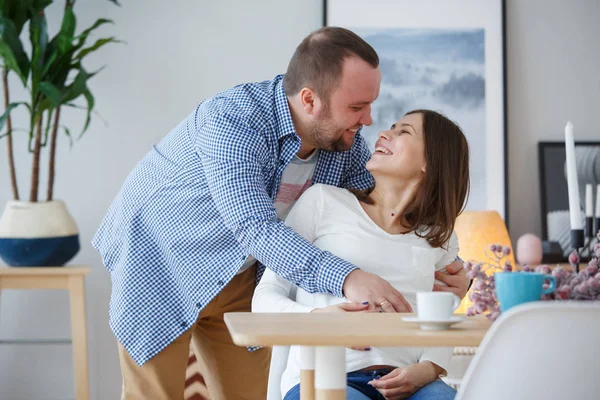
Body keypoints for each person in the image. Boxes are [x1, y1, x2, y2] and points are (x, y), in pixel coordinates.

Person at [92, 26, 468, 400]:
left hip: (243, 276)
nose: (368, 121)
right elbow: (253, 226)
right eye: (356, 107)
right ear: (309, 100)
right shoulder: (233, 119)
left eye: (370, 104)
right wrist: (348, 277)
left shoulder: (345, 145)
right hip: (161, 262)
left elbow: (386, 212)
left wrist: (447, 271)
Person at [253, 109, 470, 400]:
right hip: (327, 377)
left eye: (403, 131)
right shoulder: (323, 201)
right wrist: (318, 320)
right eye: (392, 126)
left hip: (410, 383)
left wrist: (430, 368)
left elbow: (442, 317)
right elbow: (263, 298)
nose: (383, 133)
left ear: (430, 163)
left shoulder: (438, 237)